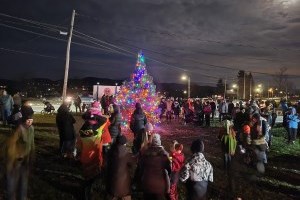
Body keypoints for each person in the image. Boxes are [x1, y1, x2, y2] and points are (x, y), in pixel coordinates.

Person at [5, 105, 35, 200]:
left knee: (23, 181)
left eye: (31, 120)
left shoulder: (31, 129)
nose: (30, 122)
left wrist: (32, 157)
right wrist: (12, 160)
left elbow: (32, 144)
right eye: (28, 120)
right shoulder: (19, 129)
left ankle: (22, 197)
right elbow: (11, 145)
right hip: (16, 160)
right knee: (13, 182)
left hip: (26, 160)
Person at [138, 133, 171, 200]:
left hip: (147, 184)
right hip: (160, 186)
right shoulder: (165, 155)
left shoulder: (145, 154)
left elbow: (140, 168)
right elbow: (169, 170)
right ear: (159, 142)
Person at [106, 135, 135, 200]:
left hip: (111, 184)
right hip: (124, 187)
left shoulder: (111, 151)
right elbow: (132, 164)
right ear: (124, 143)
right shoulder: (126, 154)